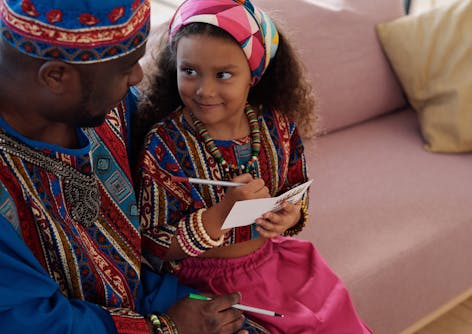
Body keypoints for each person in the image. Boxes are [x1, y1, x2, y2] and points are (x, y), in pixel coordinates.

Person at [0, 0, 264, 333]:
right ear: (56, 76)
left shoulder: (112, 103)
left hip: (161, 293)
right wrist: (165, 327)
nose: (138, 76)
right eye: (126, 68)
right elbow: (26, 321)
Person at [136, 0, 372, 332]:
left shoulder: (279, 129)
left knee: (336, 319)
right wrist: (220, 214)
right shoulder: (164, 144)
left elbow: (295, 188)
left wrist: (290, 214)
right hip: (205, 286)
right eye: (189, 71)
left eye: (223, 75)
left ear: (254, 75)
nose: (205, 90)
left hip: (274, 264)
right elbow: (153, 242)